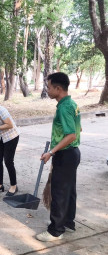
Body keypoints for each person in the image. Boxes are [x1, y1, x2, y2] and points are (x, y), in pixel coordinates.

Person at [36, 72, 81, 242]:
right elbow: (78, 129)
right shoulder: (71, 104)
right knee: (69, 190)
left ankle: (55, 230)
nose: (47, 90)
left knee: (59, 192)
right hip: (72, 154)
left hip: (65, 154)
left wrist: (51, 152)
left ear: (58, 88)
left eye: (48, 87)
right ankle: (67, 222)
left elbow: (71, 135)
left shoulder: (63, 107)